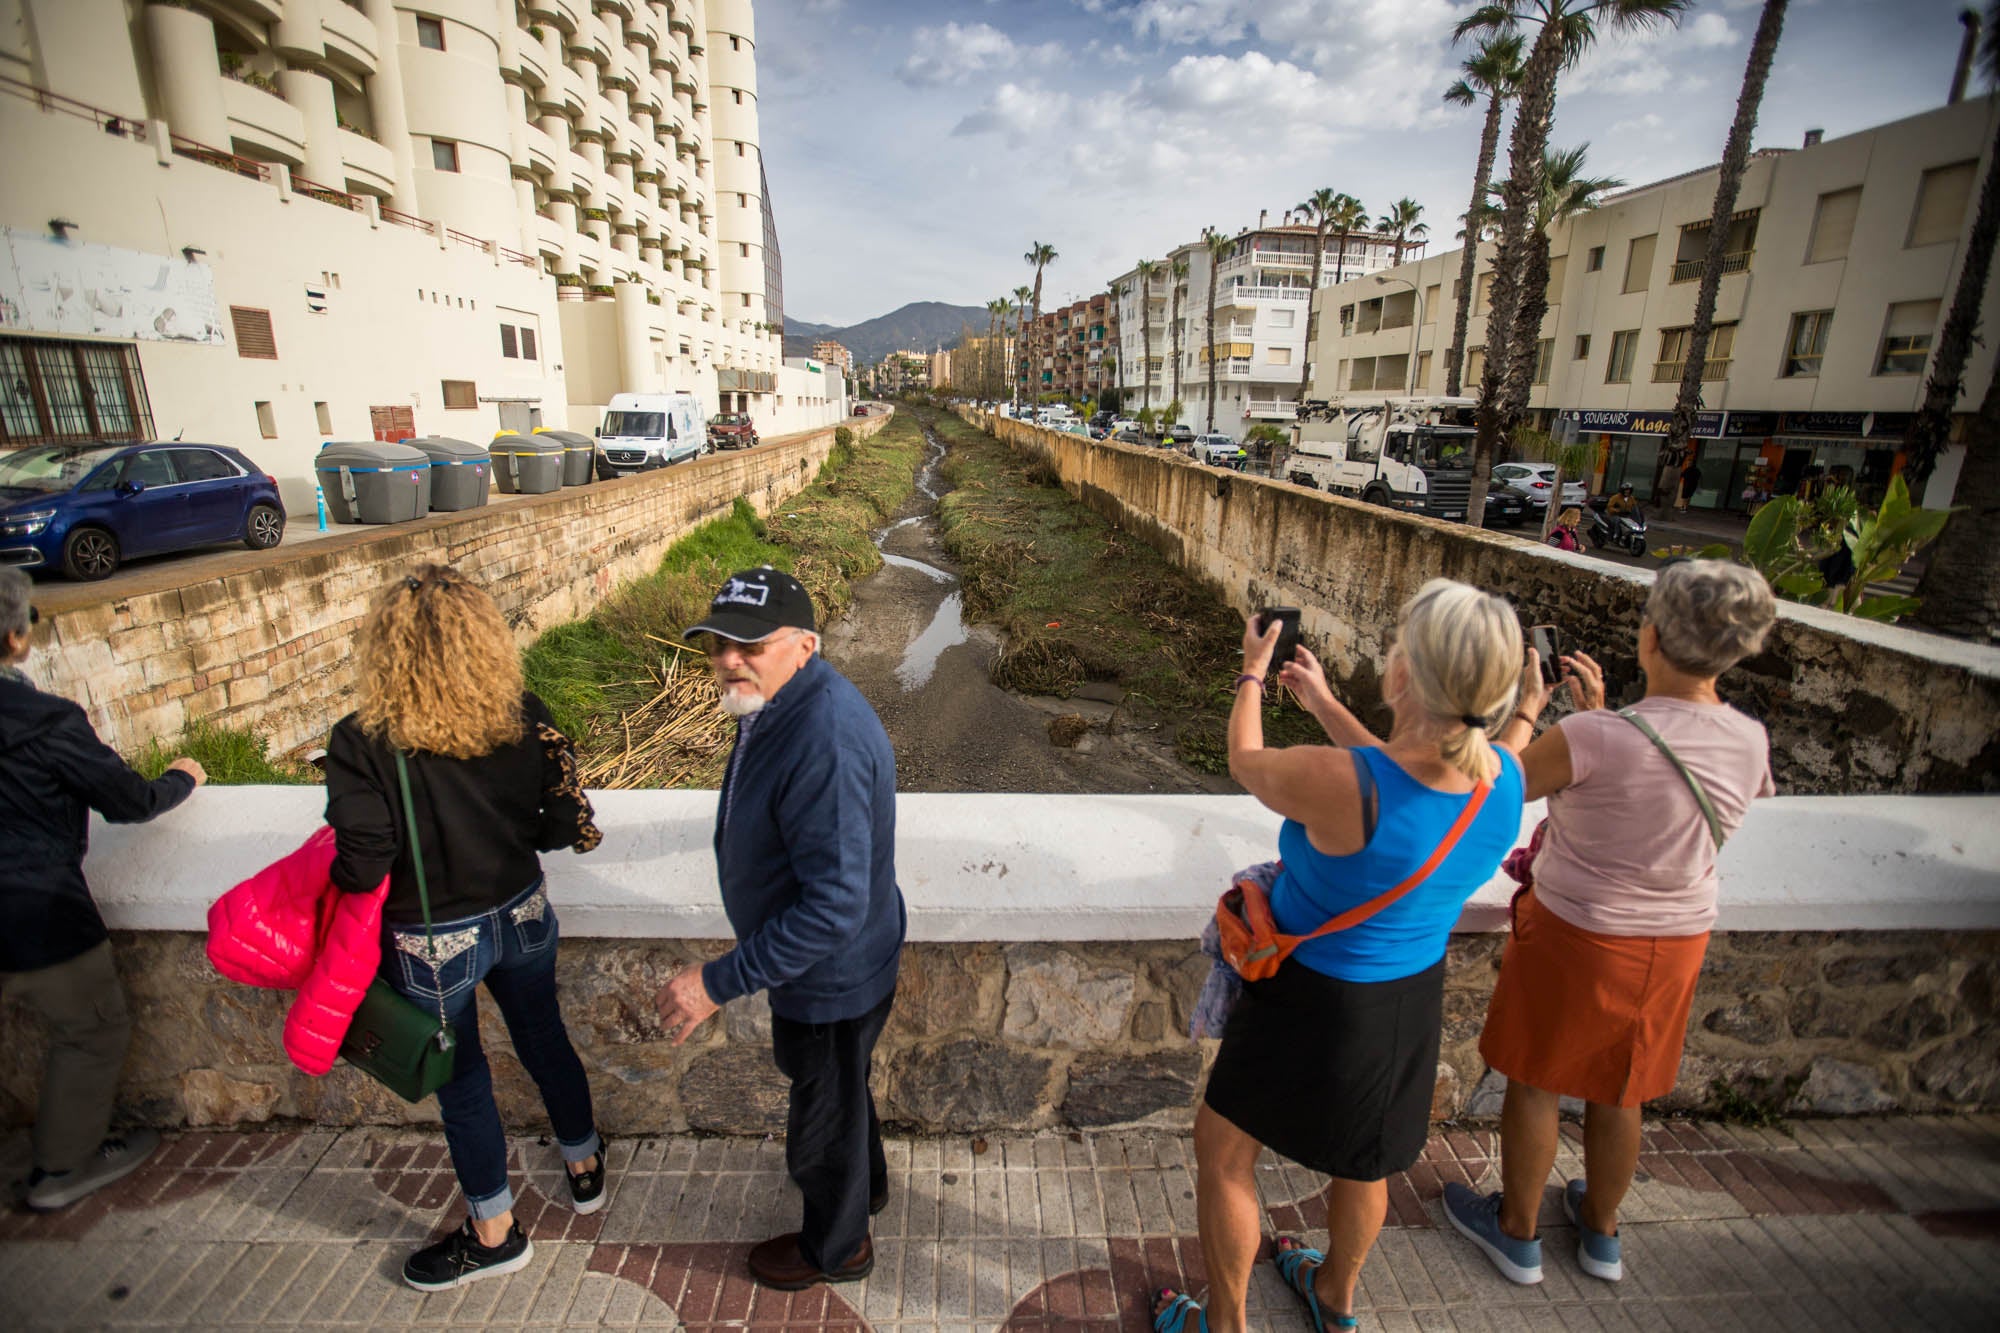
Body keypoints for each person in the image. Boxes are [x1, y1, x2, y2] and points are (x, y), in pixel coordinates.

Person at [1154, 580, 1528, 1333]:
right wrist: (1324, 702)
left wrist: (1254, 671)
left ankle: (1224, 1325)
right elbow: (1407, 775)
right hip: (1406, 1000)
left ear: (1401, 675)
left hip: (1309, 998)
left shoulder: (1339, 785)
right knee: (1366, 1161)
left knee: (1224, 1151)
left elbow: (1246, 758)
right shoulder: (1505, 778)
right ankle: (1336, 1300)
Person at [1444, 560, 1777, 1288]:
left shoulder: (1596, 736)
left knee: (1536, 1079)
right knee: (1623, 1087)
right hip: (1676, 940)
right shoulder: (1751, 740)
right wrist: (1613, 713)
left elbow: (1501, 786)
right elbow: (1676, 776)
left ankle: (1518, 1233)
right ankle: (1601, 1232)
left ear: (1651, 636)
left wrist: (1559, 712)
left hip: (1578, 933)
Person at [325, 565, 604, 1292]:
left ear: (386, 650)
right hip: (521, 908)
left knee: (466, 1084)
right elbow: (553, 824)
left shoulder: (362, 743)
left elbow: (360, 866)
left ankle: (495, 1233)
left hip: (432, 938)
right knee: (545, 1038)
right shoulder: (521, 713)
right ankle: (583, 1164)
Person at [656, 567, 905, 1290]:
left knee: (821, 1121)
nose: (729, 658)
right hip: (840, 963)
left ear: (804, 643)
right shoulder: (784, 699)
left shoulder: (820, 735)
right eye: (717, 644)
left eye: (749, 643)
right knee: (842, 1091)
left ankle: (839, 1246)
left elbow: (832, 906)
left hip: (828, 975)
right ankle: (867, 1193)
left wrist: (716, 982)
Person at [0, 567, 206, 1211]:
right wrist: (182, 777)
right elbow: (128, 801)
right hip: (35, 912)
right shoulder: (43, 720)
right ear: (15, 637)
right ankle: (61, 1170)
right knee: (92, 1030)